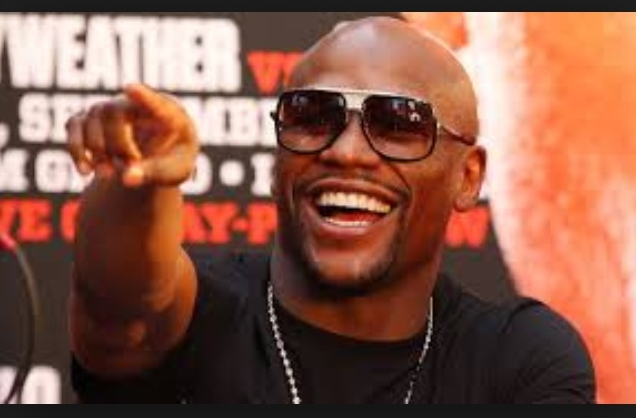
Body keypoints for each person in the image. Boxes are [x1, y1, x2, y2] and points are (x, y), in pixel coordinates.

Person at [65, 16, 596, 404]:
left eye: (399, 124)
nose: (346, 151)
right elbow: (122, 305)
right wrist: (135, 177)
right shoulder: (200, 318)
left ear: (468, 177)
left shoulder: (518, 360)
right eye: (312, 116)